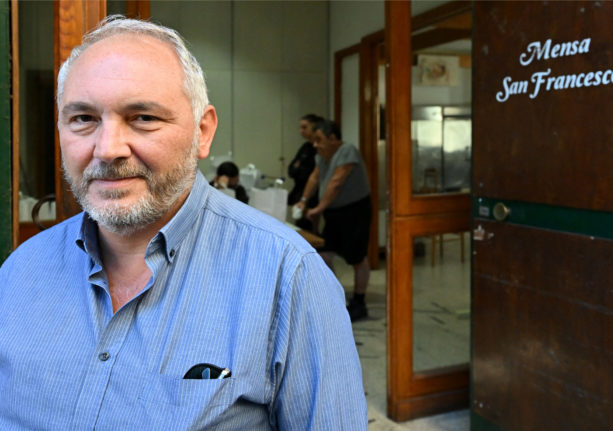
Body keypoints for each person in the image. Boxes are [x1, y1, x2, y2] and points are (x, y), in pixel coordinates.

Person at [0, 16, 367, 430]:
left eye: (142, 117)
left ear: (202, 131)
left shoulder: (288, 277)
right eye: (83, 118)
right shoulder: (19, 273)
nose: (107, 149)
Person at [295, 119, 371, 322]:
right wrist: (303, 201)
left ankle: (359, 302)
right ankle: (335, 297)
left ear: (333, 138)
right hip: (334, 212)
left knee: (357, 257)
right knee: (324, 254)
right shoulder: (322, 156)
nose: (315, 145)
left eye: (319, 140)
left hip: (354, 211)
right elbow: (315, 178)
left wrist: (319, 208)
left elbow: (336, 182)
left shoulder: (347, 151)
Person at [287, 114, 321, 232]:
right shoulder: (305, 147)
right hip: (300, 192)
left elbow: (312, 174)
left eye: (304, 127)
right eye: (300, 127)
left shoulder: (320, 149)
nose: (301, 131)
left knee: (312, 227)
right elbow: (291, 169)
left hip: (315, 194)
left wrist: (299, 168)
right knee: (300, 226)